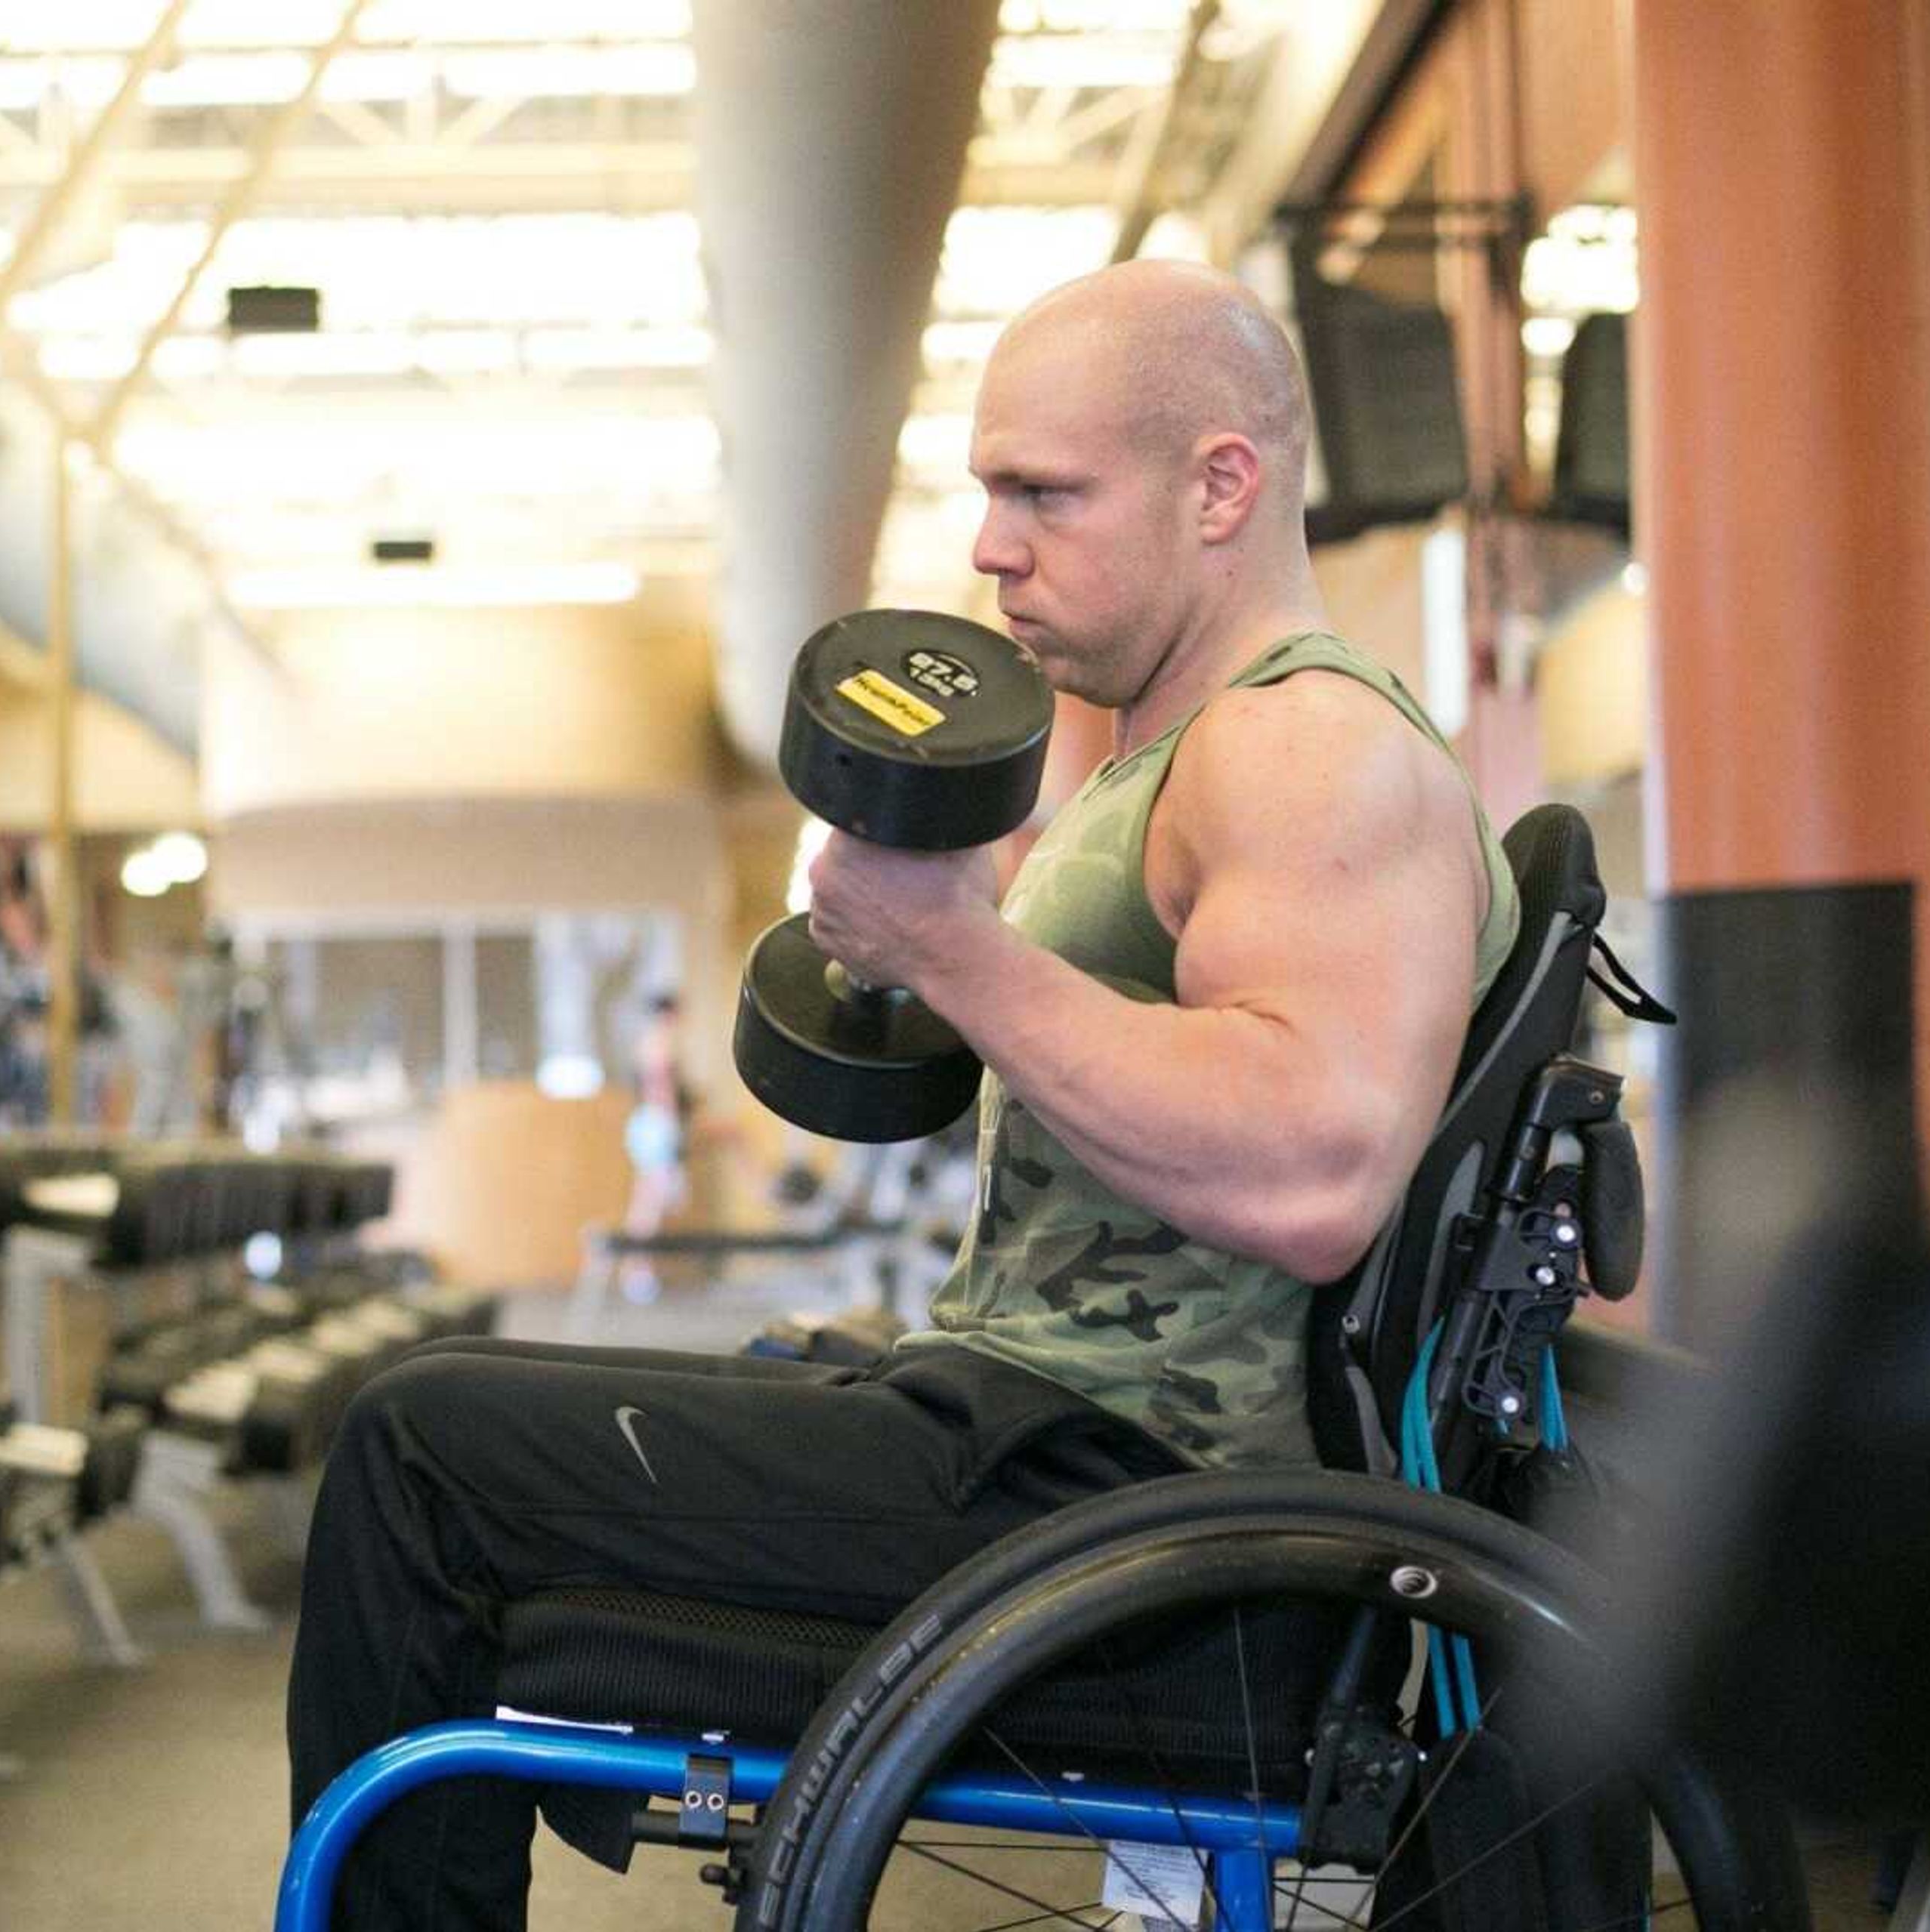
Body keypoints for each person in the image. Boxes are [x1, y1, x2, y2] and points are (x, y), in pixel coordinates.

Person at [283, 258, 1520, 1929]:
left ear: (1221, 484)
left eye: (1044, 493)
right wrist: (935, 960)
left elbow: (1313, 1171)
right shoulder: (1162, 749)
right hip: (1033, 1445)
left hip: (1132, 1517)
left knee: (421, 1453)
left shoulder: (1307, 748)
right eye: (987, 492)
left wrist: (955, 947)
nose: (993, 545)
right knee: (468, 1438)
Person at [616, 991, 691, 1301]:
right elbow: (661, 1087)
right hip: (658, 1124)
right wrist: (674, 1129)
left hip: (649, 1123)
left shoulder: (650, 1040)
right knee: (649, 1205)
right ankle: (637, 1272)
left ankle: (635, 1272)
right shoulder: (661, 1041)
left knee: (646, 1201)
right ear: (669, 1013)